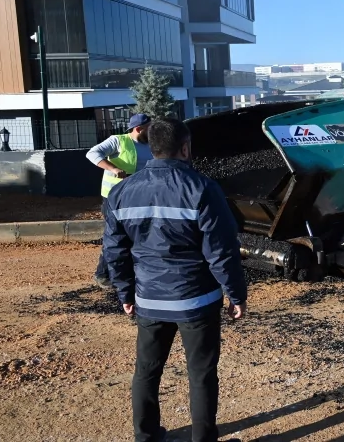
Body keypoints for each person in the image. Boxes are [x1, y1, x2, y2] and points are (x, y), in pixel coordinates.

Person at [102, 117, 247, 442]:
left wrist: (125, 292)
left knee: (147, 371)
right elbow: (222, 251)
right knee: (201, 373)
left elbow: (115, 251)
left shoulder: (121, 192)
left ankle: (146, 437)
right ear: (185, 148)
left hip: (149, 301)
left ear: (151, 148)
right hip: (198, 301)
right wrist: (236, 293)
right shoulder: (203, 189)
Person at [86, 113, 153, 289]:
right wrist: (113, 168)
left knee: (136, 236)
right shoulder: (118, 141)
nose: (152, 131)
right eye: (149, 128)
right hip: (114, 197)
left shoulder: (152, 145)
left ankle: (128, 273)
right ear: (138, 129)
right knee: (115, 237)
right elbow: (92, 153)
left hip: (138, 197)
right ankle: (103, 274)